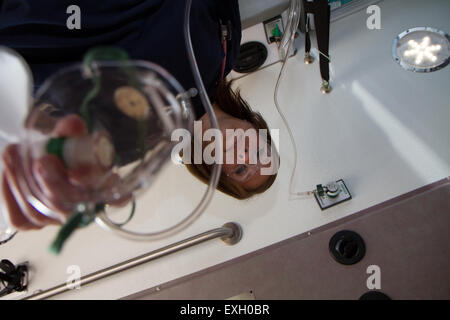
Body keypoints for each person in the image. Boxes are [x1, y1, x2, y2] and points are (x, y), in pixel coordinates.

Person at [0, 0, 279, 231]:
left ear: (214, 168)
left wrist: (49, 154)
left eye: (241, 169)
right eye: (260, 153)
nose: (244, 156)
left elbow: (67, 122)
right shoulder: (225, 53)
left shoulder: (139, 138)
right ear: (254, 125)